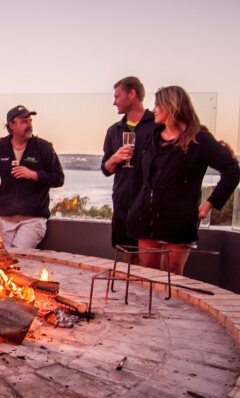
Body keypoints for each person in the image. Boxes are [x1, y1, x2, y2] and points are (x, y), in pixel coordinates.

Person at [127, 86, 240, 275]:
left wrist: (210, 203)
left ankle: (168, 307)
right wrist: (133, 204)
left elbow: (232, 170)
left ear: (171, 107)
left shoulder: (199, 138)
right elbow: (138, 176)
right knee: (147, 271)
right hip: (146, 216)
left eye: (157, 105)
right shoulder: (150, 137)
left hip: (179, 218)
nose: (153, 110)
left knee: (172, 273)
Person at [0, 105, 64, 248]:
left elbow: (58, 178)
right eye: (24, 121)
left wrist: (34, 174)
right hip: (2, 220)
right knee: (1, 263)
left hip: (32, 220)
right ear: (11, 125)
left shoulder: (44, 148)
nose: (29, 125)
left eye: (30, 120)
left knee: (17, 258)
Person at [101, 77, 157, 250]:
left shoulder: (157, 126)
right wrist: (115, 158)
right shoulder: (114, 130)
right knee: (124, 255)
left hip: (149, 205)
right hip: (122, 202)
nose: (114, 102)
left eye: (117, 97)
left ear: (132, 94)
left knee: (148, 263)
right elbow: (106, 169)